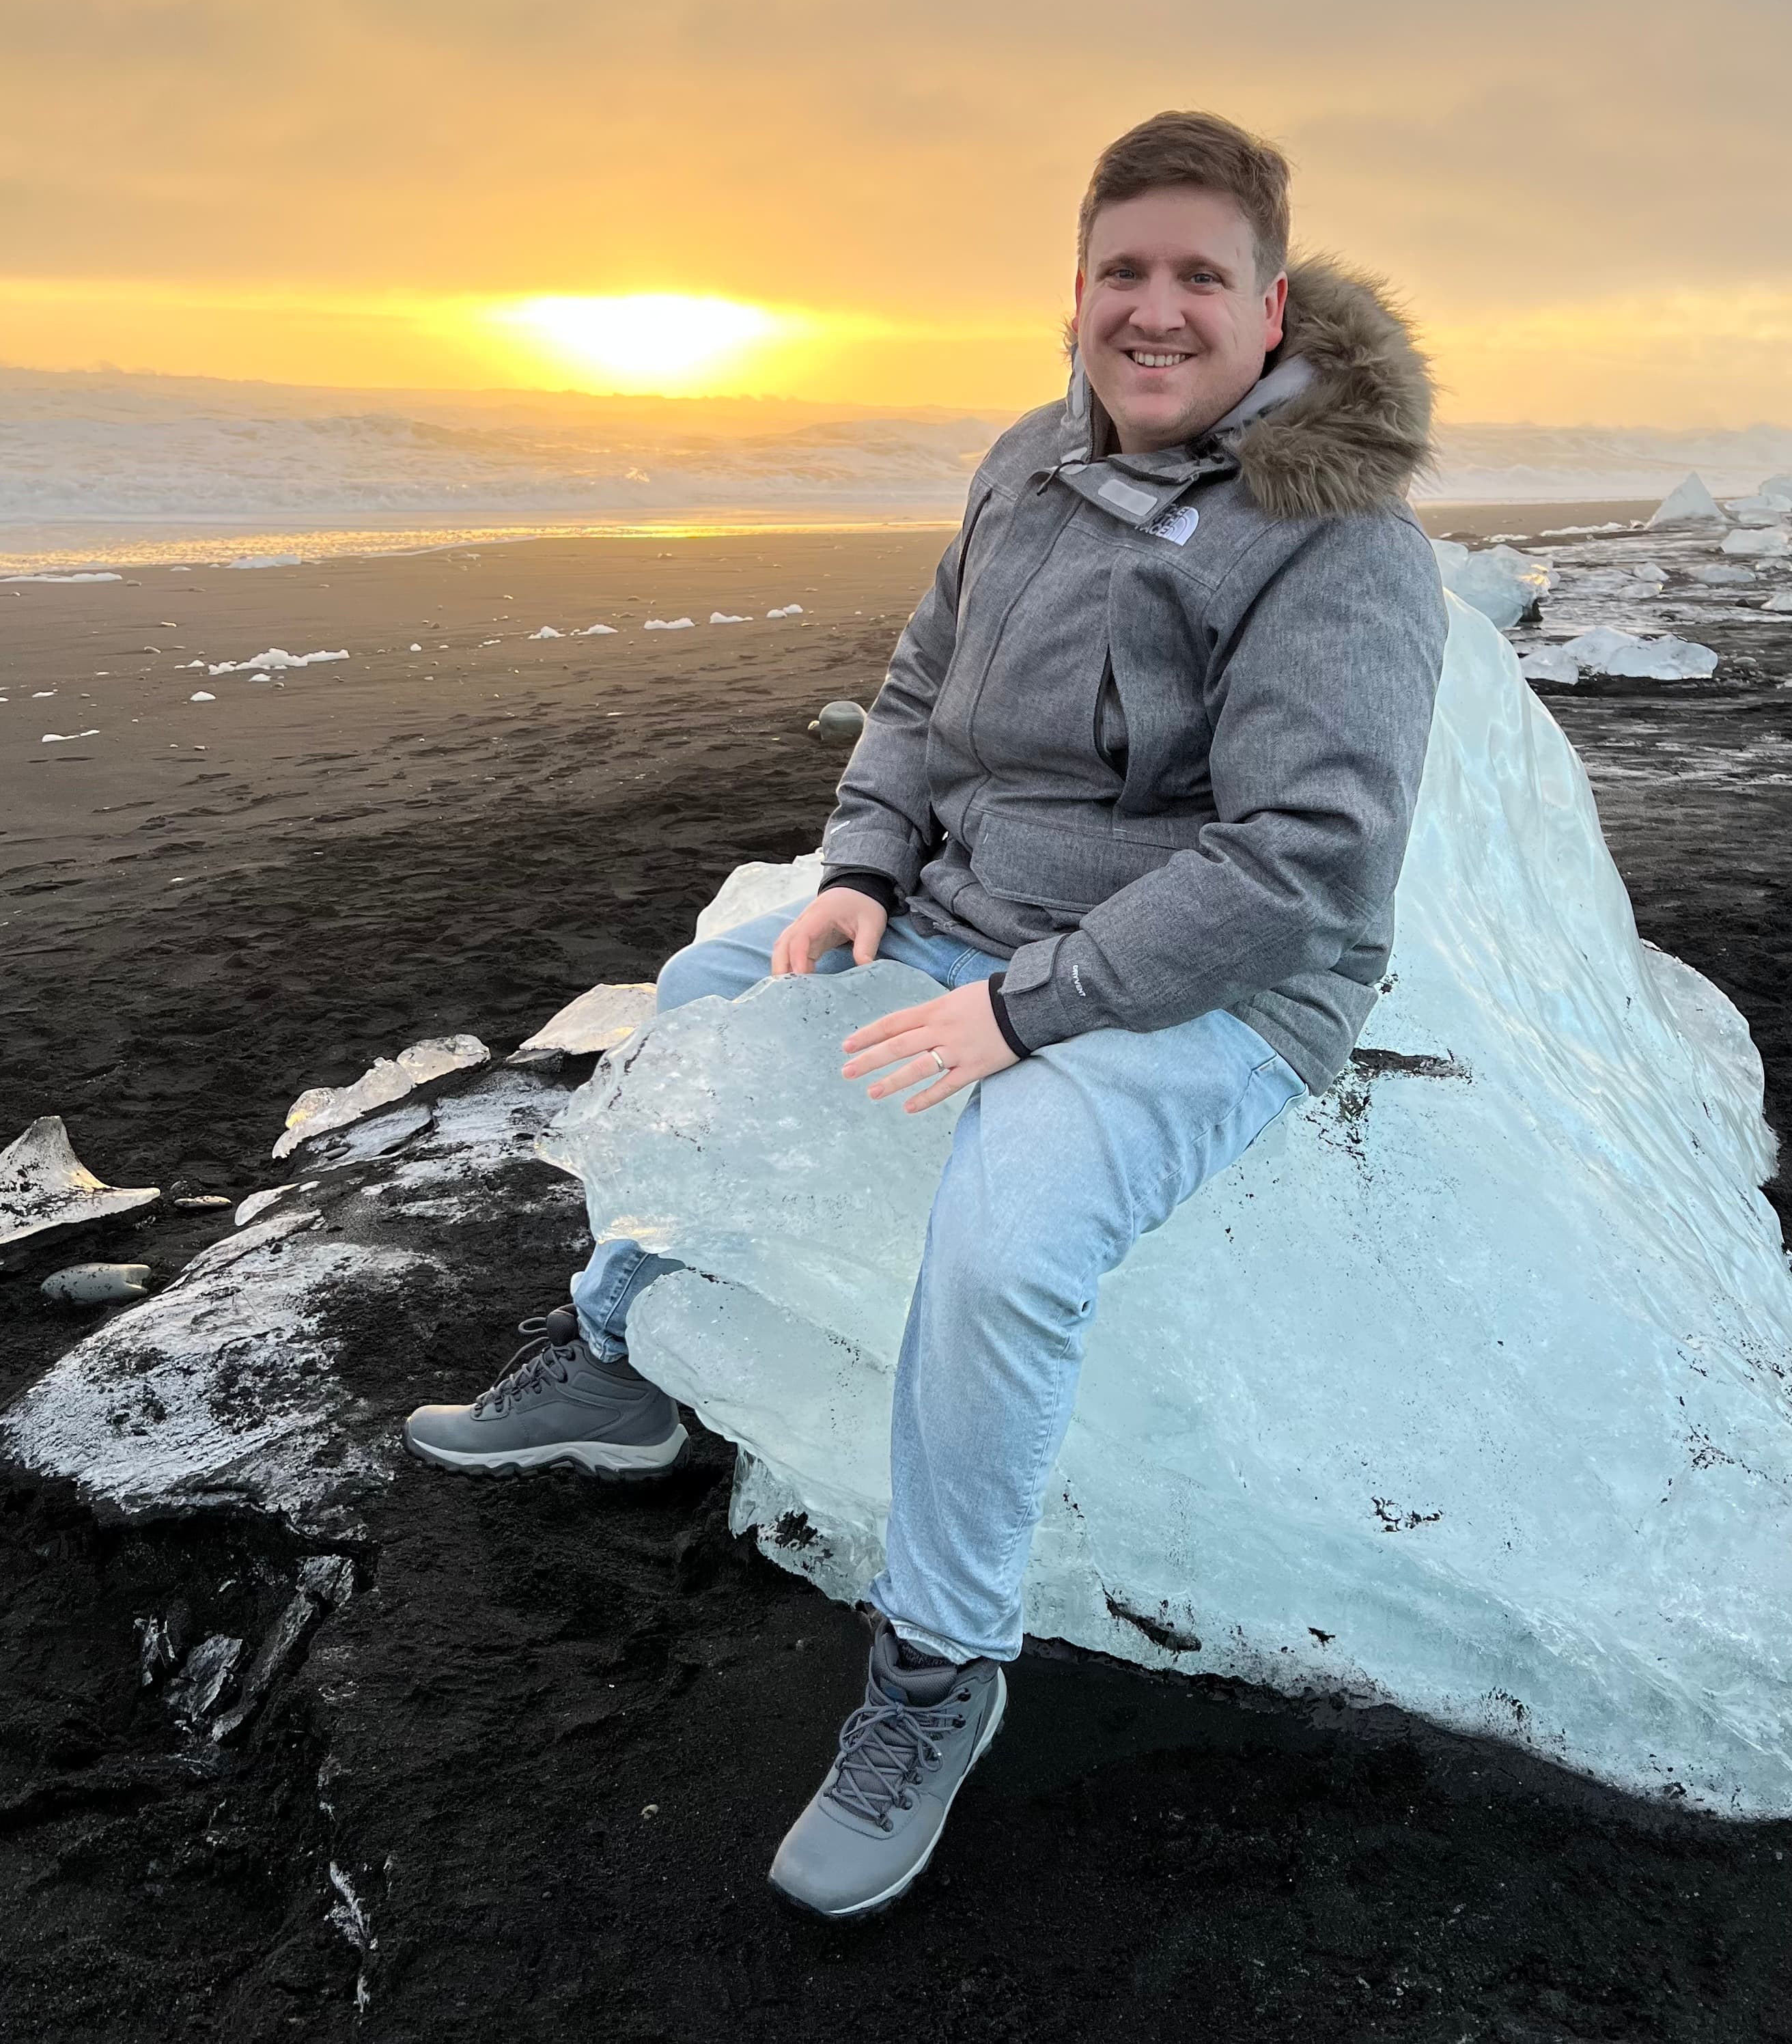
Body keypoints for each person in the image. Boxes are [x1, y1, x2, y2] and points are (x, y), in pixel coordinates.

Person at [406, 110, 1448, 1918]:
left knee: (1009, 1228)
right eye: (1124, 269)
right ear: (1077, 292)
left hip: (1206, 991)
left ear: (1270, 311)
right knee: (716, 1001)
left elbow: (1308, 863)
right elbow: (920, 692)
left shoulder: (1338, 541)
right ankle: (623, 1348)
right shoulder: (1027, 465)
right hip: (966, 921)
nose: (1155, 307)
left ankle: (937, 1672)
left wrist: (1025, 1013)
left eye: (1199, 274)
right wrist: (862, 870)